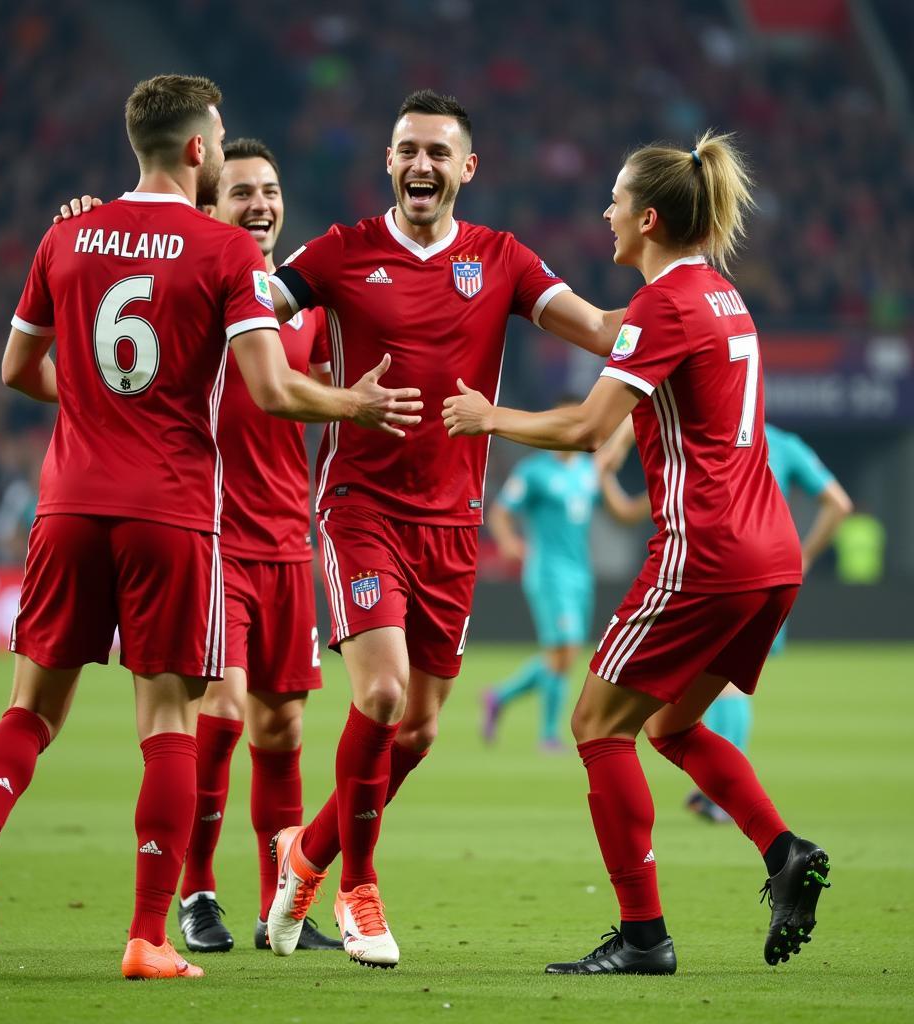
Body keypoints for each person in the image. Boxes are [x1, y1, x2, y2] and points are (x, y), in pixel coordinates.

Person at [0, 74, 421, 981]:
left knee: (29, 710)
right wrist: (352, 404)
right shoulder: (223, 252)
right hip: (170, 513)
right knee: (168, 720)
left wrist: (90, 407)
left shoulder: (65, 234)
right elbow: (275, 390)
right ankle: (148, 935)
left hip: (67, 502)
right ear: (200, 150)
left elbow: (16, 368)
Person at [442, 130, 830, 975]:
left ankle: (644, 936)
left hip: (708, 552)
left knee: (594, 725)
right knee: (670, 722)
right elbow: (631, 359)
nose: (604, 211)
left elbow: (587, 429)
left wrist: (489, 417)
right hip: (772, 555)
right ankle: (782, 851)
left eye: (615, 199)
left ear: (647, 217)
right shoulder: (723, 296)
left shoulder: (666, 305)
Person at [260, 90, 625, 968]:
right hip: (359, 507)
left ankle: (306, 854)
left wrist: (691, 289)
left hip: (452, 524)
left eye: (436, 151)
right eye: (405, 149)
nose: (419, 164)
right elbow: (249, 304)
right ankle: (357, 889)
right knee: (380, 697)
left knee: (418, 730)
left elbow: (607, 330)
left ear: (467, 168)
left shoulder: (501, 259)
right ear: (389, 162)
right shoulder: (342, 253)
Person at [175, 138, 340, 954]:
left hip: (288, 541)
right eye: (241, 193)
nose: (260, 205)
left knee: (283, 731)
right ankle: (196, 894)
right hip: (211, 535)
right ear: (210, 209)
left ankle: (285, 908)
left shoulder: (307, 306)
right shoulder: (199, 291)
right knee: (226, 711)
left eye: (270, 191)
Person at [686, 423, 852, 821]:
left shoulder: (708, 434)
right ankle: (718, 788)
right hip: (774, 569)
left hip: (728, 570)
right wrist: (804, 555)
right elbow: (839, 503)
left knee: (722, 683)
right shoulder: (783, 443)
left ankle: (722, 793)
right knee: (724, 683)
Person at [482, 403, 649, 750]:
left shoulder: (590, 471)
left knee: (564, 655)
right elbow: (500, 512)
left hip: (580, 574)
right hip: (547, 572)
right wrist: (509, 541)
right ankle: (548, 736)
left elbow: (623, 513)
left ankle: (499, 697)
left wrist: (652, 501)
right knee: (565, 649)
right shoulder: (534, 472)